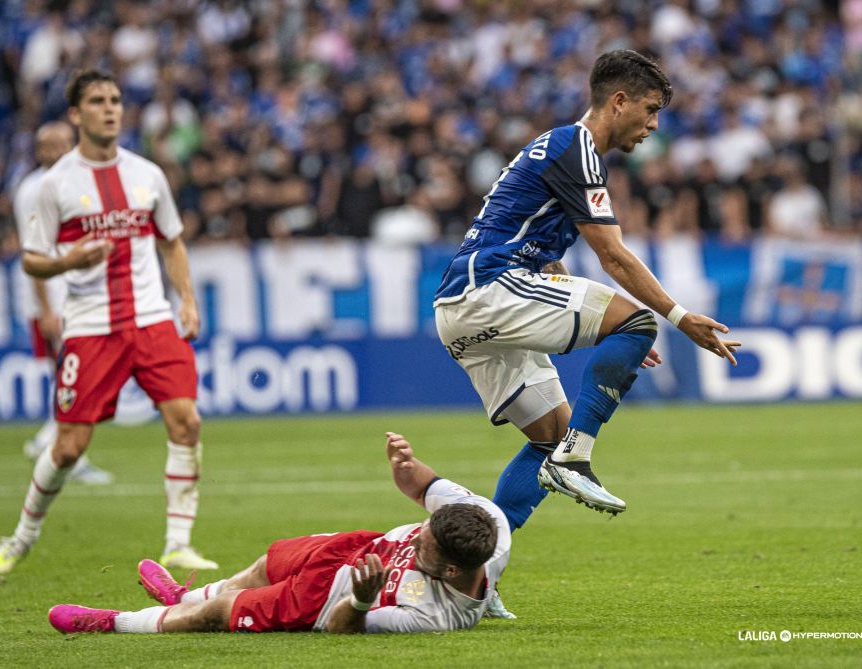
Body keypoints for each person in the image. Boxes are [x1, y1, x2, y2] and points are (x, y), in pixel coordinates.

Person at [434, 50, 740, 531]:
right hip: (491, 286)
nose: (655, 124)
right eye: (651, 108)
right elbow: (613, 256)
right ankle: (574, 462)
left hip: (461, 305)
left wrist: (613, 336)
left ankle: (476, 570)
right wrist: (677, 319)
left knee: (549, 435)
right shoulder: (575, 147)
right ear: (619, 101)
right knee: (638, 322)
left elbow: (536, 242)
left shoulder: (560, 148)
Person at [0, 70, 216, 575]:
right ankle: (20, 539)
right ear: (76, 114)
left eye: (115, 99)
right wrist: (70, 263)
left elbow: (171, 240)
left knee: (187, 420)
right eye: (97, 101)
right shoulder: (54, 186)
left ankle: (178, 542)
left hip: (152, 318)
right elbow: (31, 259)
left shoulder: (147, 173)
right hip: (91, 327)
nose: (110, 108)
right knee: (69, 446)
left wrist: (187, 300)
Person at [48, 432, 510, 635]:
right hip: (349, 547)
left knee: (219, 613)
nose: (414, 539)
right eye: (421, 530)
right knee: (260, 567)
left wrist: (365, 599)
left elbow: (338, 628)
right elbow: (419, 486)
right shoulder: (487, 521)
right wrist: (405, 465)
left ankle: (112, 622)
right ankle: (181, 597)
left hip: (322, 601)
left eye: (423, 546)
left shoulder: (433, 616)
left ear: (451, 569)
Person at [12, 121, 114, 485]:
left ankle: (53, 441)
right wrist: (46, 310)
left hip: (78, 296)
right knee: (73, 378)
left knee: (79, 377)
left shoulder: (76, 182)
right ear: (38, 151)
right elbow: (33, 254)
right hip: (52, 299)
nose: (57, 151)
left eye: (63, 144)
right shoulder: (33, 190)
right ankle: (61, 447)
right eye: (49, 146)